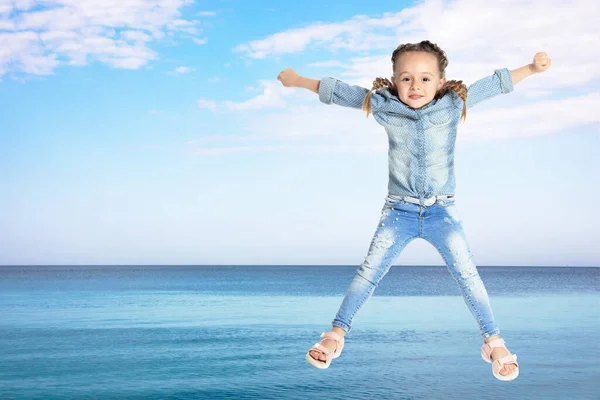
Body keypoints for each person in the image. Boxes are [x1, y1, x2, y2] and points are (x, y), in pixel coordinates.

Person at [277, 40, 551, 381]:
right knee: (368, 273)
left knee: (468, 276)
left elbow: (491, 85)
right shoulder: (383, 104)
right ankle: (335, 335)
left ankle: (493, 341)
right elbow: (341, 92)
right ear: (393, 81)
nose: (415, 86)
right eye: (406, 78)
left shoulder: (454, 103)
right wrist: (299, 80)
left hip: (442, 212)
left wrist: (531, 69)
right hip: (399, 212)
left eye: (425, 79)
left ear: (440, 81)